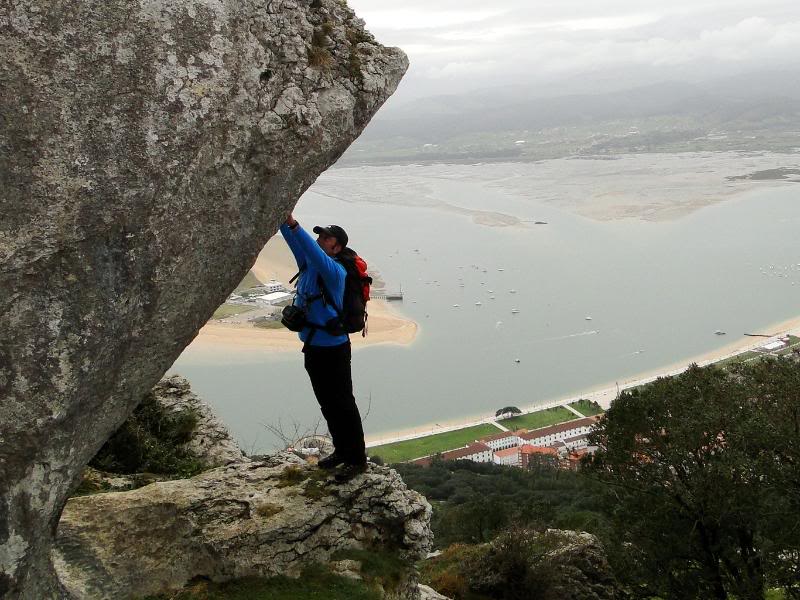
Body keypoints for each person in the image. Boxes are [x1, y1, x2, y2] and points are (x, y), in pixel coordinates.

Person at [279, 213, 368, 482]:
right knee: (328, 405)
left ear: (336, 247)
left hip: (334, 350)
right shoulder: (309, 265)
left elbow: (305, 245)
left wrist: (294, 225)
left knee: (343, 405)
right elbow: (297, 244)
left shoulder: (334, 271)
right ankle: (342, 451)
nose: (320, 240)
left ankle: (356, 459)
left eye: (326, 237)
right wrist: (282, 220)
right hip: (313, 347)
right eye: (319, 235)